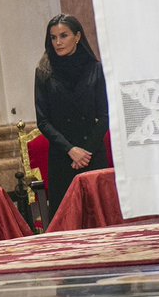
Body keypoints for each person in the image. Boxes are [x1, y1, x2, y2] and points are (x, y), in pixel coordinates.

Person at [34, 13, 110, 216]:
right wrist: (70, 150)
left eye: (63, 36)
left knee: (98, 214)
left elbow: (104, 116)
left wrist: (85, 152)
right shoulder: (43, 72)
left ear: (77, 37)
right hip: (62, 155)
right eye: (53, 37)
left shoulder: (95, 69)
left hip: (92, 153)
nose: (58, 42)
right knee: (67, 217)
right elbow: (43, 120)